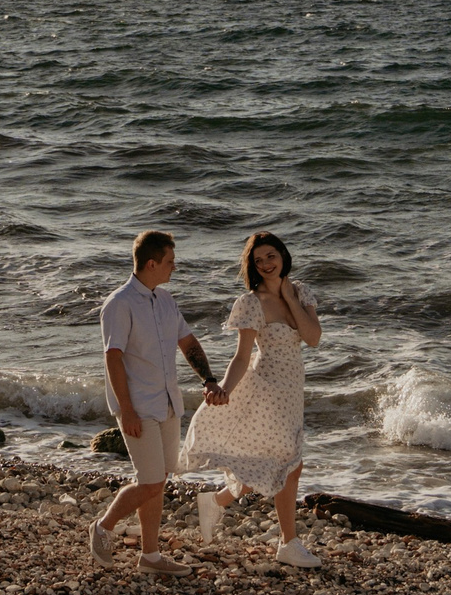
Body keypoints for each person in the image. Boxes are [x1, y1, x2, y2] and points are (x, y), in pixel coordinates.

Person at [179, 230, 324, 569]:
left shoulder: (300, 292)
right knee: (290, 463)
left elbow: (313, 338)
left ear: (282, 256)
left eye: (270, 256)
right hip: (265, 388)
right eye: (258, 260)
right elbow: (242, 357)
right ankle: (288, 543)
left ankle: (216, 502)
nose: (266, 264)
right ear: (253, 266)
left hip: (292, 390)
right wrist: (225, 389)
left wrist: (288, 297)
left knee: (271, 462)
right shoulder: (251, 303)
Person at [91, 229, 227, 575]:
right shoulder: (119, 304)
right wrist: (127, 409)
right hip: (138, 405)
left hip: (168, 402)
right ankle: (104, 525)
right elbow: (113, 358)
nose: (174, 267)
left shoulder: (165, 300)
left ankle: (150, 556)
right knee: (150, 481)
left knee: (160, 478)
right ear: (151, 263)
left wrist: (208, 379)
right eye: (169, 261)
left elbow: (188, 342)